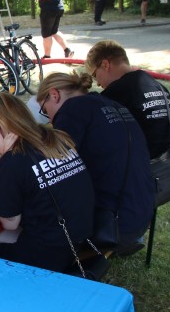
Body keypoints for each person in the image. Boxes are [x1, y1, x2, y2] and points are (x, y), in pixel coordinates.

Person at [36, 71, 155, 253]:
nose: (50, 120)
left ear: (54, 94)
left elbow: (55, 163)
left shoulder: (72, 109)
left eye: (45, 111)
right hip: (141, 212)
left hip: (113, 223)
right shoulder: (110, 104)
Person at [0, 92, 95, 272]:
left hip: (51, 252)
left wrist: (7, 164)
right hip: (82, 236)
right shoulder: (56, 137)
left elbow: (10, 223)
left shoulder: (13, 160)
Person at [84, 40, 170, 167]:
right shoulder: (155, 84)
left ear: (105, 64)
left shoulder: (117, 92)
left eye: (95, 75)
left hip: (150, 170)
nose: (98, 83)